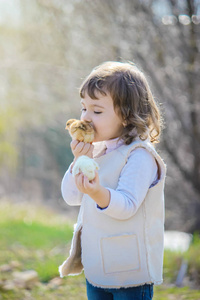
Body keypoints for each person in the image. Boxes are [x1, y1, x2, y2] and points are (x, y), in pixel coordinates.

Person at [59, 61, 166, 300]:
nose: (86, 118)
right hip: (97, 265)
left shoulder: (139, 155)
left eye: (96, 111)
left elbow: (127, 205)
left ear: (127, 116)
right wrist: (78, 160)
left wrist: (98, 193)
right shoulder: (95, 151)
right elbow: (71, 196)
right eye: (83, 108)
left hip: (130, 272)